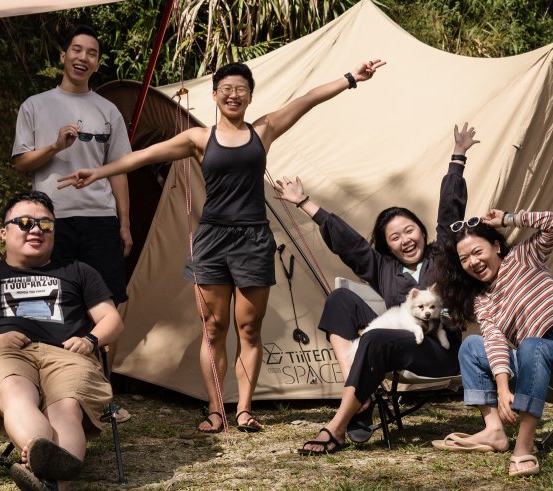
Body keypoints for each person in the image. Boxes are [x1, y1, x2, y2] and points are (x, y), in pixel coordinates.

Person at [58, 58, 385, 434]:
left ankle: (243, 409)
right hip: (212, 239)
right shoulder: (198, 139)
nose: (233, 94)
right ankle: (216, 409)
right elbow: (143, 156)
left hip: (253, 239)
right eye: (226, 89)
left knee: (249, 330)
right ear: (214, 95)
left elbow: (309, 98)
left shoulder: (264, 129)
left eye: (240, 89)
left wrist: (350, 78)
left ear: (249, 96)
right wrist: (96, 172)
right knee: (213, 328)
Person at [273, 123, 479, 454]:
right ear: (387, 247)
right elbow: (347, 242)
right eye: (394, 237)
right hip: (398, 344)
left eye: (409, 230)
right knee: (340, 299)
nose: (405, 240)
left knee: (375, 336)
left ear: (422, 232)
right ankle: (361, 395)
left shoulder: (444, 255)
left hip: (439, 352)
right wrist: (304, 203)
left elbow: (450, 211)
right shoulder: (382, 267)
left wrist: (458, 157)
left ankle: (337, 427)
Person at [0, 191, 124, 491]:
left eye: (45, 224)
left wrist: (90, 340)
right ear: (4, 231)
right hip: (4, 354)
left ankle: (46, 479)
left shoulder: (78, 271)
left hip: (68, 353)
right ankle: (48, 470)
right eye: (25, 222)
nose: (36, 229)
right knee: (14, 390)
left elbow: (112, 319)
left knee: (67, 406)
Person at [431, 209, 553, 477]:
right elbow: (494, 340)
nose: (473, 262)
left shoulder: (522, 258)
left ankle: (524, 444)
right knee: (472, 345)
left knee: (531, 344)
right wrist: (503, 387)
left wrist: (507, 219)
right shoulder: (483, 299)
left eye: (477, 252)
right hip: (534, 363)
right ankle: (494, 430)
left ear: (496, 246)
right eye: (464, 259)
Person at [12, 24, 132, 307]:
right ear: (63, 56)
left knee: (107, 301)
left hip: (101, 218)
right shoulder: (34, 105)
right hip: (50, 218)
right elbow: (20, 163)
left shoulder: (108, 110)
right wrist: (55, 147)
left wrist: (124, 223)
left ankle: (99, 352)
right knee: (51, 300)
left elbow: (118, 170)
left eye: (92, 54)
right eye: (77, 50)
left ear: (97, 64)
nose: (83, 58)